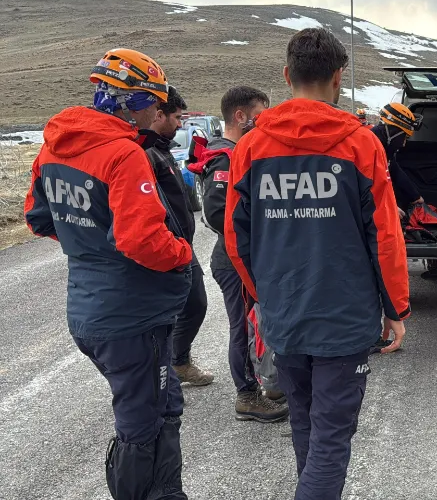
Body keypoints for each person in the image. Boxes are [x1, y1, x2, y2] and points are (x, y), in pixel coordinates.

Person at [224, 27, 410, 499]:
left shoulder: (250, 147)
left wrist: (265, 295)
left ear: (288, 76)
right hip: (344, 319)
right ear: (338, 77)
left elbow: (236, 241)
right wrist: (396, 308)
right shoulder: (361, 144)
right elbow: (385, 237)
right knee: (330, 439)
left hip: (284, 315)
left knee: (307, 424)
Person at [24, 48, 193, 499]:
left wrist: (90, 245)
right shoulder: (122, 153)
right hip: (132, 315)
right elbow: (141, 240)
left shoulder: (54, 147)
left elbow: (38, 218)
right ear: (136, 101)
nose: (158, 111)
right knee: (143, 424)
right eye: (155, 102)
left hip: (90, 308)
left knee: (164, 403)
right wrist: (181, 254)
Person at [187, 85, 288, 422]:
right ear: (241, 116)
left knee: (258, 323)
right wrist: (258, 234)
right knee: (243, 327)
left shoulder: (241, 151)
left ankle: (268, 382)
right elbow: (217, 212)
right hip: (234, 259)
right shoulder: (224, 157)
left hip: (247, 256)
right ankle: (247, 395)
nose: (264, 122)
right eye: (259, 116)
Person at [139, 86, 213, 387]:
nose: (181, 124)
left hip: (182, 244)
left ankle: (176, 362)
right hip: (168, 247)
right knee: (178, 309)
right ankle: (166, 370)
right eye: (177, 118)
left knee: (194, 305)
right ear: (159, 115)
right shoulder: (146, 154)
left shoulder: (161, 149)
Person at [369, 102, 424, 218]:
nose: (403, 144)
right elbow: (360, 188)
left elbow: (395, 170)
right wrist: (386, 207)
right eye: (404, 137)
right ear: (393, 132)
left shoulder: (385, 147)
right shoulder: (367, 147)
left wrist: (415, 196)